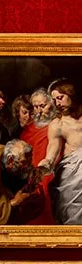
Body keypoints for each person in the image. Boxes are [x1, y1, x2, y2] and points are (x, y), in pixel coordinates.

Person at [42, 80, 82, 224]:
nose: (57, 103)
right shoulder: (57, 124)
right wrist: (47, 162)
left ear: (71, 94)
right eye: (54, 100)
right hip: (72, 175)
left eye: (60, 98)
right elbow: (53, 149)